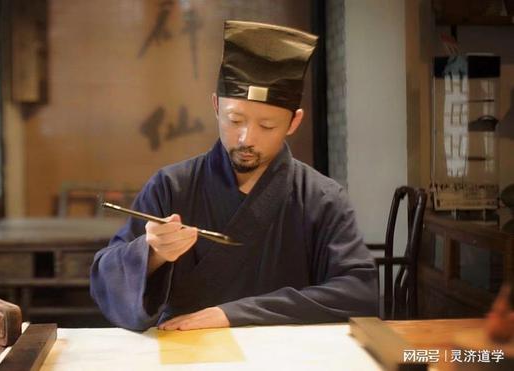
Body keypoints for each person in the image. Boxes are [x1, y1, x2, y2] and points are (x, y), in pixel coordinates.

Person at [90, 20, 378, 331]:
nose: (245, 138)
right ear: (215, 105)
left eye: (266, 126)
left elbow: (360, 292)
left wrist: (236, 313)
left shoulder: (322, 199)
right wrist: (152, 255)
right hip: (184, 352)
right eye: (234, 119)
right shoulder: (172, 186)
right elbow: (106, 277)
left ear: (294, 122)